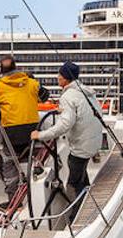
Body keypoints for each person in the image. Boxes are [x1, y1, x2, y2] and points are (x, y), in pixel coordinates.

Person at [31, 61, 105, 208]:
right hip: (93, 142)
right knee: (81, 173)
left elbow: (64, 125)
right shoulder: (85, 91)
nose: (57, 77)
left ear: (65, 78)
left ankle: (75, 213)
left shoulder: (68, 97)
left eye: (60, 75)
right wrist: (64, 111)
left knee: (73, 182)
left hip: (81, 148)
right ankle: (87, 195)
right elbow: (81, 112)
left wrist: (40, 135)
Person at [0, 55, 48, 201]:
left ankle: (14, 199)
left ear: (1, 70)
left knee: (8, 163)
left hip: (11, 134)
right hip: (32, 132)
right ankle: (38, 192)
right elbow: (45, 96)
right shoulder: (31, 83)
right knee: (37, 156)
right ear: (16, 67)